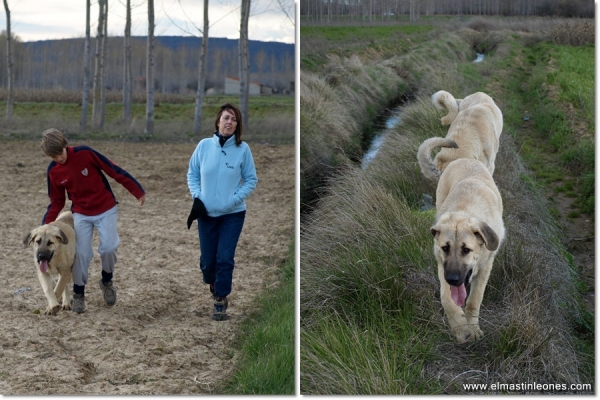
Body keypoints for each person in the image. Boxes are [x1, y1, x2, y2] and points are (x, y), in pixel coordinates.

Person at [41, 128, 146, 313]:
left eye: (60, 153)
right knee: (81, 254)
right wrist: (45, 226)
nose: (58, 159)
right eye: (53, 157)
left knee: (109, 247)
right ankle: (79, 294)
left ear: (65, 145)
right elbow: (57, 201)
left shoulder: (85, 153)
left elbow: (113, 170)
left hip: (106, 208)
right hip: (81, 213)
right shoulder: (53, 171)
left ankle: (106, 280)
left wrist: (136, 190)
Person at [187, 103, 258, 321]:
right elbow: (192, 174)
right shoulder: (203, 146)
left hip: (233, 215)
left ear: (238, 126)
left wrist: (233, 199)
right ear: (218, 121)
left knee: (225, 258)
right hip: (206, 214)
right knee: (208, 262)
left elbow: (251, 180)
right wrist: (198, 197)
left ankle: (221, 299)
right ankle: (212, 282)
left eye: (234, 119)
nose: (229, 122)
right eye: (226, 118)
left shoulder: (242, 149)